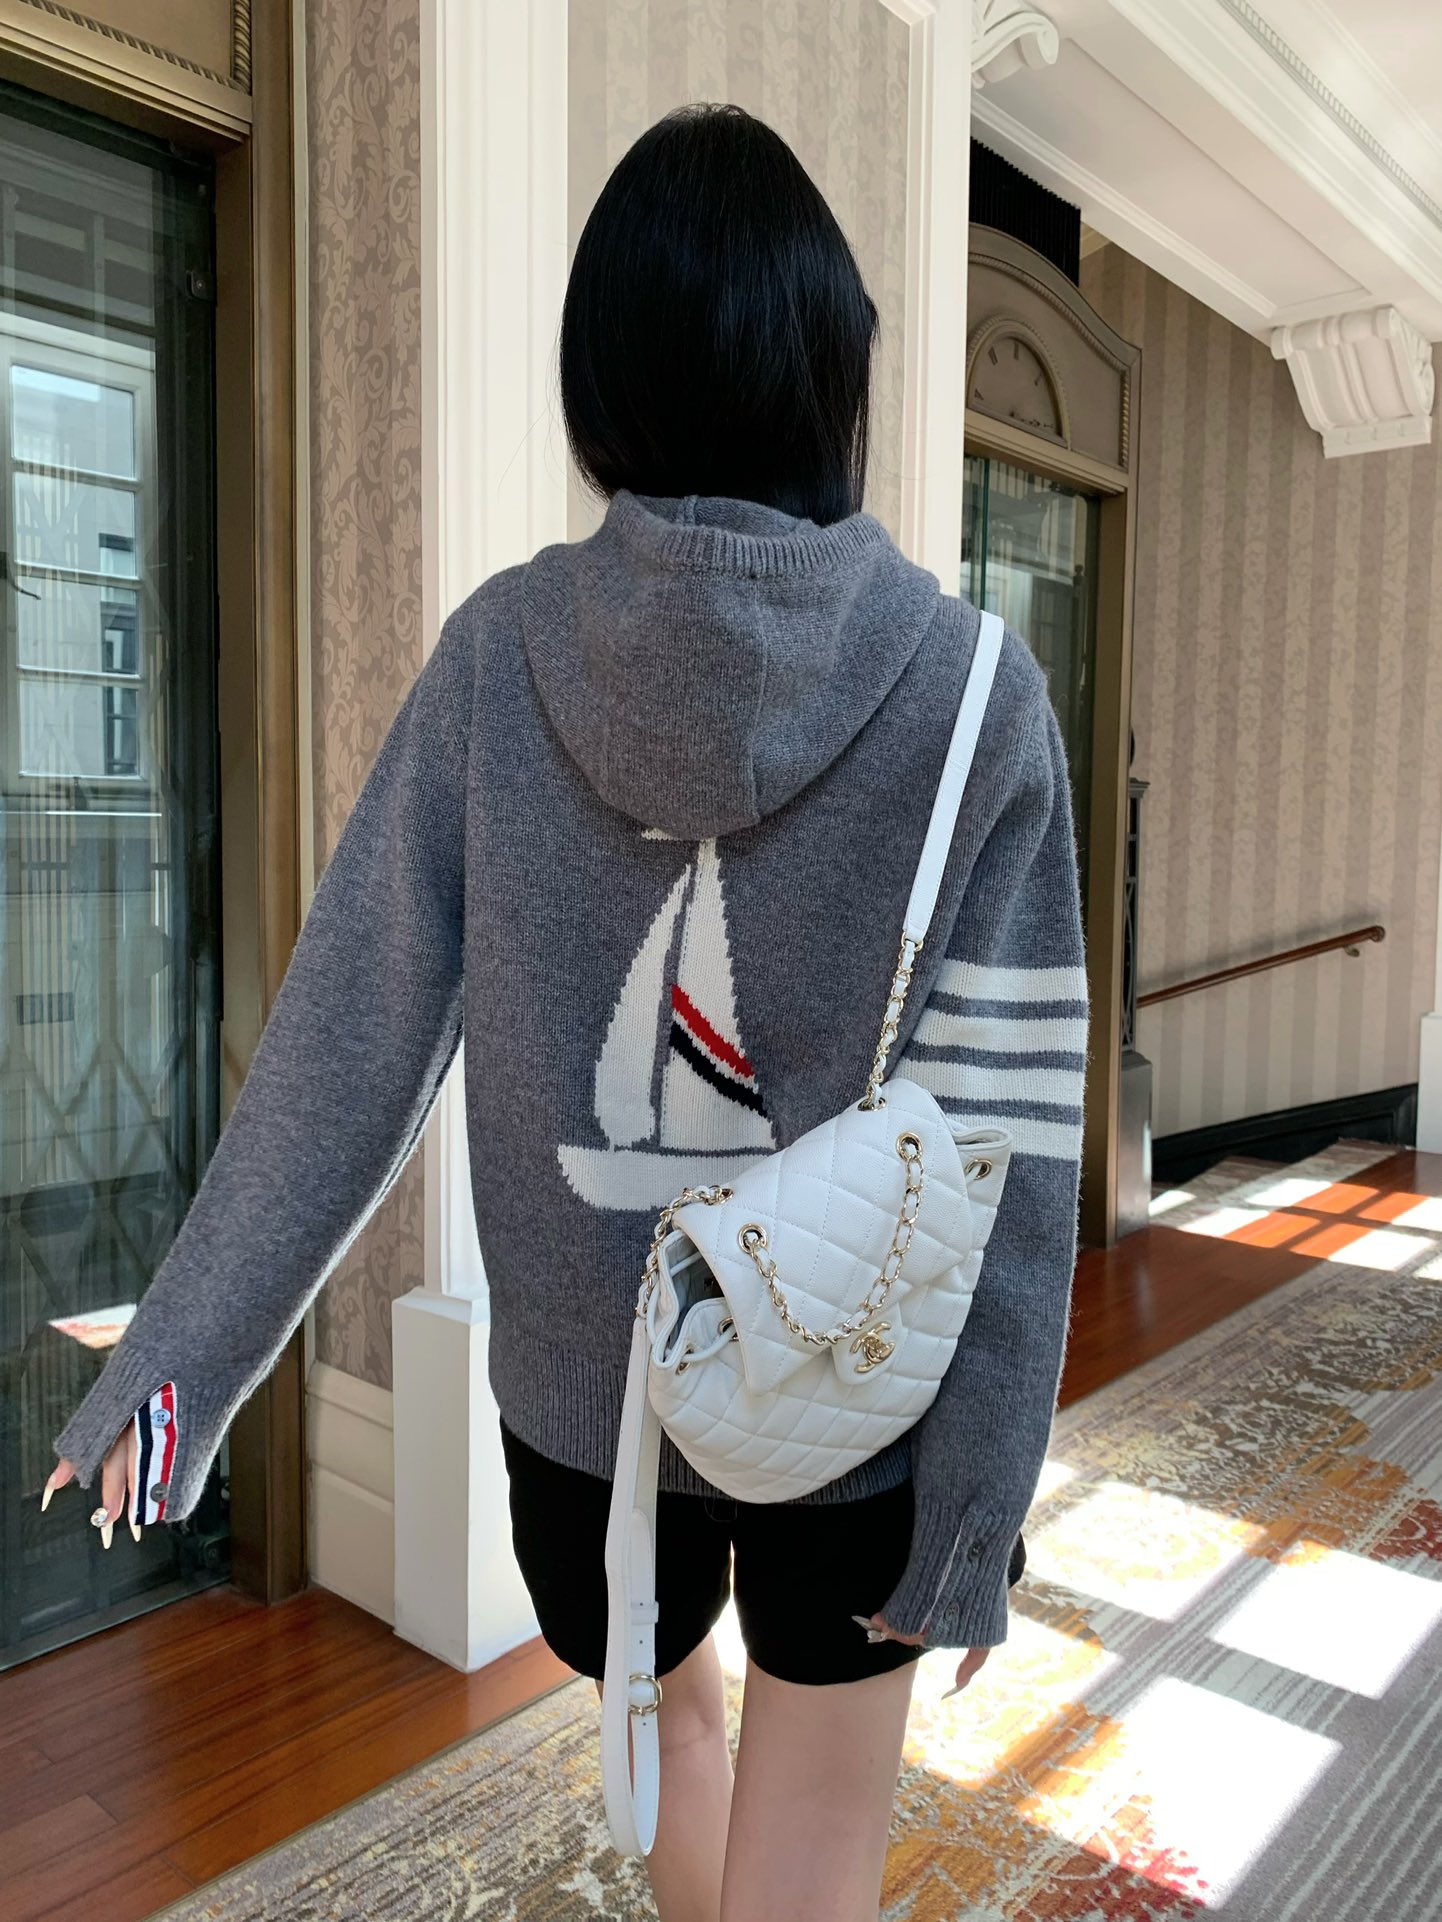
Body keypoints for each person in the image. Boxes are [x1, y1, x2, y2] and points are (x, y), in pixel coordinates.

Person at [47, 102, 1087, 1922]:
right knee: (817, 1838)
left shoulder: (494, 658)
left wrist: (178, 1364)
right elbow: (1008, 1122)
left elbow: (347, 1038)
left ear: (598, 384)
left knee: (666, 1732)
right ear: (832, 377)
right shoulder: (975, 694)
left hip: (583, 1406)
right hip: (859, 1383)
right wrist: (979, 1492)